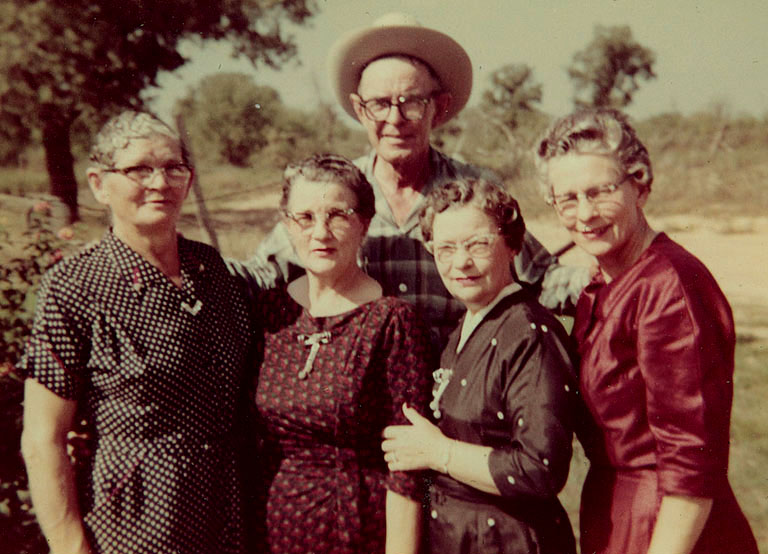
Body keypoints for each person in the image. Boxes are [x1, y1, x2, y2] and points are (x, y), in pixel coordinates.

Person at [237, 13, 589, 346]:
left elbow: (543, 278)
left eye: (412, 102)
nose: (396, 118)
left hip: (457, 389)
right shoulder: (335, 193)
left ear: (439, 106)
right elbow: (261, 275)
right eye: (380, 103)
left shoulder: (474, 189)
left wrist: (614, 277)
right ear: (360, 109)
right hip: (361, 391)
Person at [19, 111, 255, 554]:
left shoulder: (211, 269)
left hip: (226, 508)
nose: (160, 182)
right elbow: (43, 438)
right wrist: (70, 547)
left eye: (173, 168)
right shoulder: (74, 285)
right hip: (135, 517)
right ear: (98, 183)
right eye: (139, 169)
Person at [535, 108, 758, 554]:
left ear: (640, 184)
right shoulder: (605, 283)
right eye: (568, 199)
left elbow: (691, 463)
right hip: (617, 512)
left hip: (669, 526)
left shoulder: (669, 285)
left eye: (601, 192)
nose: (585, 214)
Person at [381, 178, 578, 554]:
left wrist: (438, 453)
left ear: (513, 245)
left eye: (477, 245)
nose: (461, 263)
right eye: (446, 249)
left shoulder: (528, 332)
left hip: (509, 541)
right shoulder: (470, 324)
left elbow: (539, 468)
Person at [249, 154, 432, 554]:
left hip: (358, 527)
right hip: (272, 526)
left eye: (338, 215)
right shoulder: (271, 314)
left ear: (365, 223)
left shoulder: (391, 322)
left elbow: (408, 465)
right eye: (306, 217)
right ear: (286, 225)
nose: (321, 232)